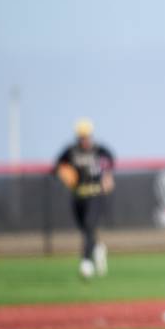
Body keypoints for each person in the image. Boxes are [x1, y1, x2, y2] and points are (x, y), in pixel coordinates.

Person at [53, 118, 115, 279]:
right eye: (81, 136)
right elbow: (57, 167)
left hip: (95, 194)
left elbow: (110, 162)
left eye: (86, 136)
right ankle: (97, 249)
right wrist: (63, 172)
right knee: (85, 229)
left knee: (89, 226)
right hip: (78, 195)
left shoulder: (99, 150)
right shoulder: (71, 151)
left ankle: (86, 263)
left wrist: (107, 176)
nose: (84, 139)